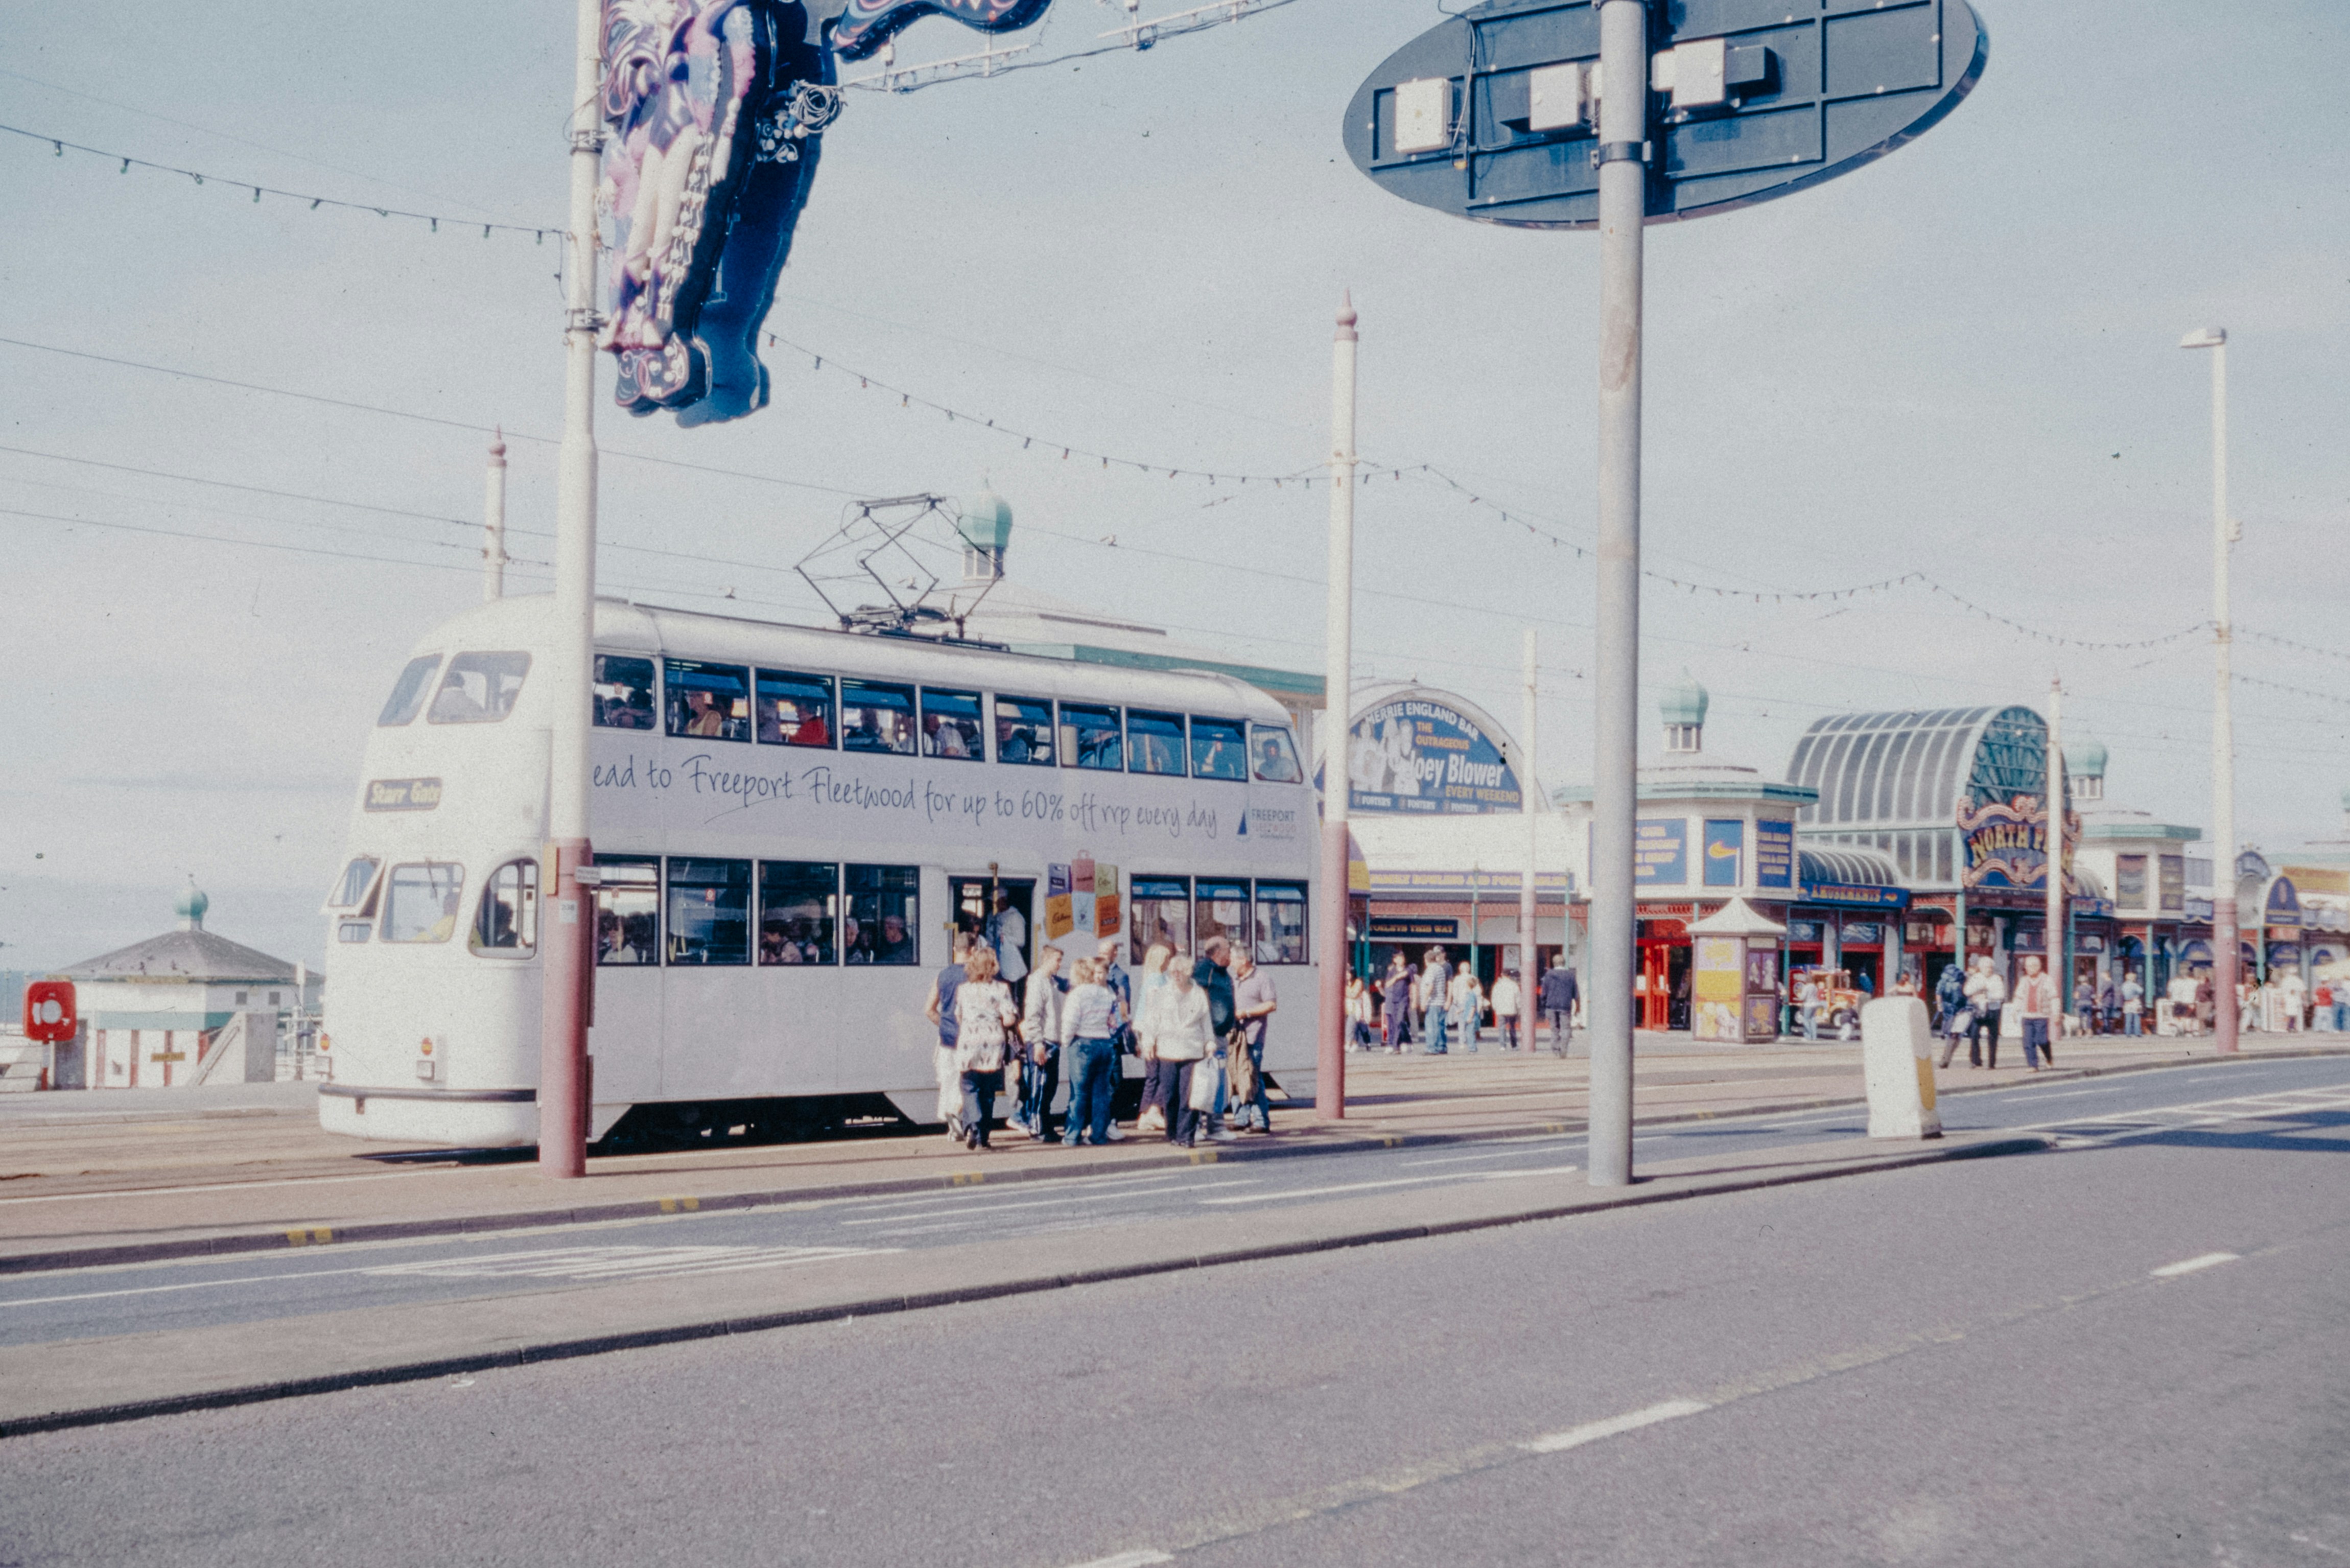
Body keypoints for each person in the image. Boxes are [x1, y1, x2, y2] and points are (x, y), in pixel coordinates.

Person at [951, 949, 1019, 1150]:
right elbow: (1009, 1020)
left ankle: (974, 1123)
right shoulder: (1002, 988)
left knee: (969, 1087)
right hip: (993, 1043)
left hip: (969, 1042)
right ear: (993, 966)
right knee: (988, 1092)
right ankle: (983, 1138)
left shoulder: (964, 989)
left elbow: (959, 1016)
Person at [1140, 959, 1214, 1146]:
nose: (1176, 975)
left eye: (1180, 972)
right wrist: (1149, 1043)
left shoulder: (1198, 994)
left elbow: (1206, 1021)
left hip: (1193, 1050)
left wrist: (1210, 1042)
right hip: (1168, 1050)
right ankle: (1172, 1133)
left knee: (1190, 1097)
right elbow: (1151, 1021)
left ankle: (1186, 1136)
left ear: (1188, 972)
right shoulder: (1162, 994)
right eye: (1173, 972)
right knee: (1171, 1095)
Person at [1060, 957, 1121, 1146]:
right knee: (1101, 1093)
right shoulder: (1106, 994)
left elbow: (1071, 1022)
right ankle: (1098, 1136)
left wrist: (1065, 1041)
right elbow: (1112, 1021)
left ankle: (1072, 1136)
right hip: (1105, 1044)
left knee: (1079, 1093)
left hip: (1082, 1044)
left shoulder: (1076, 995)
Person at [924, 932, 974, 1139]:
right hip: (970, 1038)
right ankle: (966, 1122)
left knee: (949, 1081)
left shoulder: (942, 975)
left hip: (947, 1037)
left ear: (955, 950)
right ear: (973, 951)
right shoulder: (976, 976)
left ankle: (952, 1119)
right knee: (970, 1083)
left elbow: (929, 1009)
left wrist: (944, 1024)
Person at [1016, 944, 1066, 1139]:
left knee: (1049, 1086)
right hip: (1043, 1041)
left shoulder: (1051, 982)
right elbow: (1033, 1015)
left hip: (1052, 1040)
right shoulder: (1038, 982)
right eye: (1057, 960)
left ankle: (1045, 1125)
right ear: (1047, 960)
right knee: (1041, 1085)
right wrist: (1037, 1043)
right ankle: (1037, 1127)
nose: (1060, 964)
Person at [1194, 937, 1240, 1141]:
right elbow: (1198, 995)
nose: (1230, 955)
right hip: (1208, 1035)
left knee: (1218, 1081)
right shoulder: (1205, 970)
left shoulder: (1221, 972)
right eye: (1228, 951)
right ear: (1217, 952)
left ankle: (1216, 1126)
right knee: (1203, 1080)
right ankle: (1198, 1126)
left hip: (1220, 1034)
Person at [1231, 951, 1278, 1133]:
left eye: (1234, 959)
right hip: (1236, 1037)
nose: (1231, 963)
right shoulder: (1235, 979)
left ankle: (1261, 1121)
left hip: (1252, 1036)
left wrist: (1246, 1013)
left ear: (1244, 960)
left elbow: (1271, 1005)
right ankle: (1241, 1119)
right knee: (1236, 1076)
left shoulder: (1262, 978)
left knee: (1252, 1077)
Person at [1134, 944, 1175, 1133]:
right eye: (1167, 959)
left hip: (1147, 1030)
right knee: (1160, 1074)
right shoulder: (1158, 980)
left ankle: (1147, 1113)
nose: (1169, 962)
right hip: (1156, 1031)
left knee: (1154, 1074)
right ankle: (1153, 1110)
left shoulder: (1150, 979)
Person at [2014, 956, 2055, 1071]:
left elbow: (2054, 997)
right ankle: (2033, 1065)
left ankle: (2049, 1057)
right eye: (2028, 966)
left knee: (2041, 1040)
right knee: (2028, 1042)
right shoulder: (2024, 980)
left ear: (2039, 967)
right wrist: (2015, 1010)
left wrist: (2056, 1012)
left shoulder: (2047, 979)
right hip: (2027, 1016)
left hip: (2041, 1016)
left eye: (2033, 966)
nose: (2030, 969)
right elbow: (2019, 996)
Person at [1964, 955, 2006, 1068]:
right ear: (1981, 968)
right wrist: (1978, 989)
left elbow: (2001, 995)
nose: (1989, 969)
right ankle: (1975, 1060)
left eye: (1991, 967)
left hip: (1993, 1011)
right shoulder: (1976, 978)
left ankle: (1992, 1063)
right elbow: (1967, 991)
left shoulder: (1997, 978)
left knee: (1993, 1036)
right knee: (1974, 1035)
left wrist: (1988, 995)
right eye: (1987, 967)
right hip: (1979, 1010)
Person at [986, 888, 1028, 988]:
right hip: (993, 959)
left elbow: (1021, 941)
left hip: (1009, 960)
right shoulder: (992, 916)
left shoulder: (1016, 917)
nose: (994, 905)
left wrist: (1006, 939)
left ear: (1003, 900)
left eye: (996, 902)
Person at [1538, 960, 1579, 1055]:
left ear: (1554, 963)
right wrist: (1576, 1004)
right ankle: (1563, 1048)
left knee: (1554, 1029)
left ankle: (1555, 1049)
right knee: (1566, 1028)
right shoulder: (1570, 975)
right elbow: (1575, 992)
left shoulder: (1549, 974)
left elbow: (1544, 992)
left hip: (1551, 1005)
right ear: (1564, 963)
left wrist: (1543, 1003)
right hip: (1565, 1006)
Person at [1419, 949, 1451, 1055]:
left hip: (1433, 1002)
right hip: (1441, 1001)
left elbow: (1430, 986)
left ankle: (1431, 1048)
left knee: (1431, 1026)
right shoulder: (1440, 969)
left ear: (1426, 960)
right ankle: (1441, 1047)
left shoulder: (1431, 970)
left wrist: (1424, 1001)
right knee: (1439, 1026)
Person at [1449, 966, 1483, 1052]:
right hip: (1469, 1005)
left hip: (1461, 1002)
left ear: (1460, 969)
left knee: (1462, 1025)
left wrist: (1455, 1002)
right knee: (1470, 1029)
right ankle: (1471, 1045)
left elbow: (1455, 991)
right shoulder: (1473, 978)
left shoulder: (1458, 979)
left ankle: (1462, 1042)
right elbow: (1479, 992)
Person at [1491, 968, 1523, 1052]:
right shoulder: (1514, 985)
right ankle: (1514, 1045)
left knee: (1502, 1028)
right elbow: (1518, 999)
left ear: (1502, 975)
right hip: (1512, 1009)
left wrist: (1496, 1008)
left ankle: (1503, 1045)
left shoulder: (1498, 985)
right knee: (1512, 1027)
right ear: (1510, 976)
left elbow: (1494, 998)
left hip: (1501, 1009)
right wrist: (1519, 1009)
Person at [2120, 968, 2144, 1036]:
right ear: (2133, 978)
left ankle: (2128, 1032)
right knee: (2137, 1017)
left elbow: (2123, 993)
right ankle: (2138, 1032)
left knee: (2128, 1018)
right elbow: (2141, 991)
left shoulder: (2124, 985)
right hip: (2135, 1002)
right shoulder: (2135, 985)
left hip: (2127, 1003)